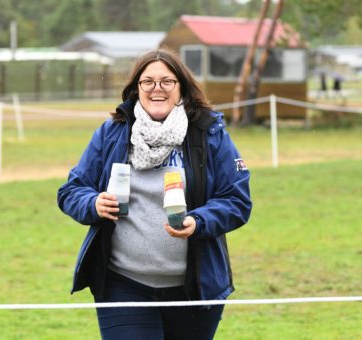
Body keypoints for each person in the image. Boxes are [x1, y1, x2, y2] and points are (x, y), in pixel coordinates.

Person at [57, 49, 252, 340]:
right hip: (123, 284)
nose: (156, 89)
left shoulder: (209, 133)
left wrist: (199, 221)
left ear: (181, 87)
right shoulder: (112, 132)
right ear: (136, 88)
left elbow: (237, 200)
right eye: (147, 82)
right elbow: (71, 191)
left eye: (167, 81)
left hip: (194, 288)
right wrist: (92, 203)